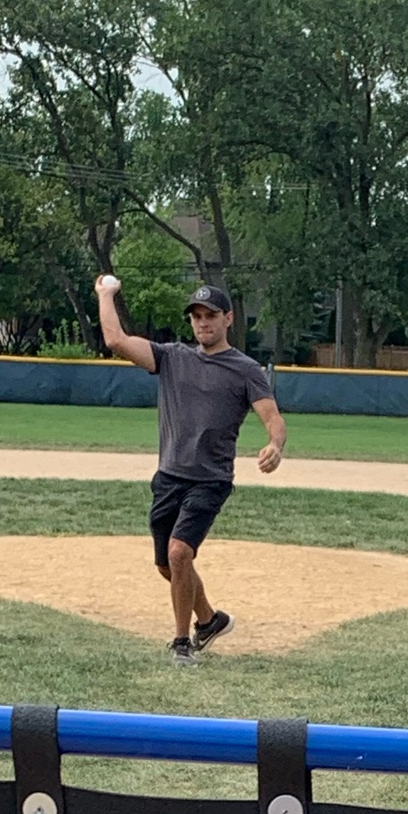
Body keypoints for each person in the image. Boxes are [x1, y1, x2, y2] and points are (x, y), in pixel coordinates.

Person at [95, 277, 288, 665]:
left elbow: (273, 417)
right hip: (168, 476)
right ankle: (210, 620)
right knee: (168, 565)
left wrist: (275, 445)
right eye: (197, 316)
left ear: (228, 319)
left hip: (210, 479)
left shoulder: (245, 370)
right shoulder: (171, 357)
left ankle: (182, 643)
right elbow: (116, 340)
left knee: (180, 552)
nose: (203, 323)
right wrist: (104, 294)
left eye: (211, 315)